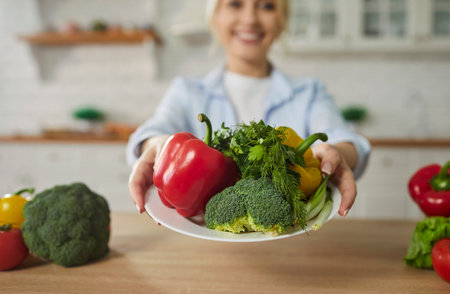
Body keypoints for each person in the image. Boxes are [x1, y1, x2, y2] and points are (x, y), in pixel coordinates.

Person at [126, 0, 371, 219]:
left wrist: (336, 153)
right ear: (215, 17)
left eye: (267, 6)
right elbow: (154, 131)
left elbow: (345, 139)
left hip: (294, 250)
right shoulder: (187, 90)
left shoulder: (309, 92)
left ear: (282, 21)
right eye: (235, 4)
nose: (250, 18)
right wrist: (156, 144)